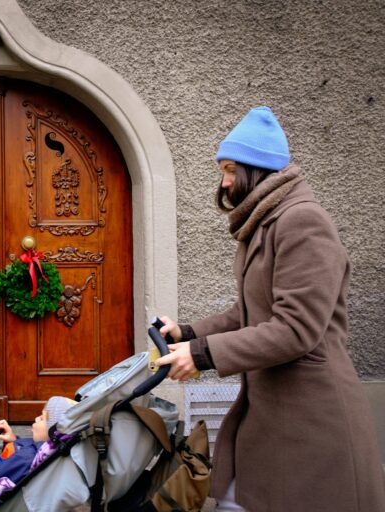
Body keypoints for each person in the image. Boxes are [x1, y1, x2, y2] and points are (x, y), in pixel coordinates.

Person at [155, 106, 385, 512]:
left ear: (255, 170)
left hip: (312, 418)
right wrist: (188, 334)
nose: (224, 183)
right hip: (272, 414)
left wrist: (204, 355)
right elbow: (248, 312)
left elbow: (296, 328)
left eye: (229, 170)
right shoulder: (263, 223)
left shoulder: (302, 222)